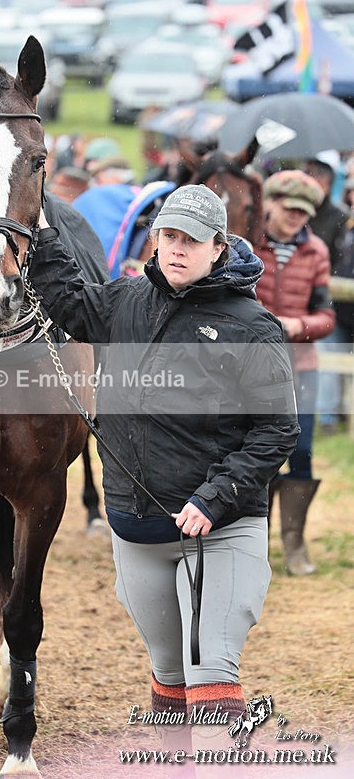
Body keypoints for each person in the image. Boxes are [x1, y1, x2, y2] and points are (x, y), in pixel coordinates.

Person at [28, 184, 299, 767]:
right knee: (170, 670)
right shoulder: (124, 300)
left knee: (210, 668)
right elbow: (68, 302)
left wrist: (215, 497)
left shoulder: (254, 328)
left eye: (191, 240)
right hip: (137, 528)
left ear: (218, 247)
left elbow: (277, 432)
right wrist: (41, 233)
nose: (177, 249)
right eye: (168, 236)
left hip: (219, 530)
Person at [254, 170, 335, 575]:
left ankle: (295, 543)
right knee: (258, 451)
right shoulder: (249, 244)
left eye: (303, 212)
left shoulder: (316, 250)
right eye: (289, 209)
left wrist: (297, 325)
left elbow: (326, 316)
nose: (295, 217)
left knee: (301, 450)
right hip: (254, 366)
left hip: (301, 364)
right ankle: (257, 541)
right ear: (271, 203)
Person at [305, 155, 353, 435]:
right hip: (326, 300)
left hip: (334, 296)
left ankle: (335, 415)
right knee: (327, 356)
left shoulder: (340, 218)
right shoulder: (307, 215)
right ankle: (328, 417)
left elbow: (337, 259)